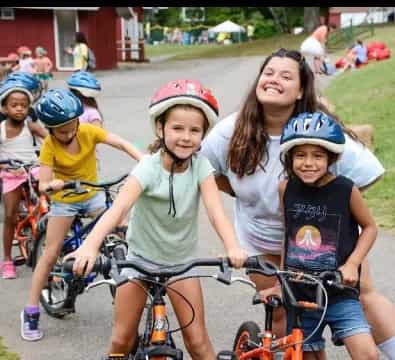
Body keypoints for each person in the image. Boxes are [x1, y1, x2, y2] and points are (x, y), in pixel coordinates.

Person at [200, 48, 395, 359]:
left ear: (301, 89)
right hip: (261, 240)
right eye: (269, 73)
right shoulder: (231, 130)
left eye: (286, 76)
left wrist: (331, 208)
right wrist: (239, 191)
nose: (274, 80)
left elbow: (369, 175)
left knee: (364, 298)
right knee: (281, 313)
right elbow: (206, 173)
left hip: (327, 241)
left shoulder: (318, 130)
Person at [64, 79, 247, 359]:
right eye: (177, 128)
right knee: (121, 341)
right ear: (160, 128)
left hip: (182, 263)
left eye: (194, 130)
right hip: (138, 261)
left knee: (198, 343)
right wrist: (89, 246)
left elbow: (215, 211)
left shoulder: (201, 167)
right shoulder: (148, 167)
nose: (185, 137)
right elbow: (117, 210)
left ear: (203, 134)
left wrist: (233, 246)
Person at [20, 88, 144, 341]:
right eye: (61, 130)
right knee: (51, 253)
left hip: (93, 193)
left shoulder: (87, 131)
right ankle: (30, 311)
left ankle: (133, 283)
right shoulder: (49, 146)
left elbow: (119, 142)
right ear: (50, 129)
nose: (68, 133)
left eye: (71, 126)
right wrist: (50, 185)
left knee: (122, 228)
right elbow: (43, 183)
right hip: (65, 201)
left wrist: (143, 159)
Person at [262, 111, 379, 359]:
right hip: (300, 294)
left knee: (367, 354)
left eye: (317, 156)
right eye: (300, 155)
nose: (308, 163)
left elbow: (370, 227)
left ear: (331, 157)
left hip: (338, 291)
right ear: (289, 157)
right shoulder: (286, 188)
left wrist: (352, 264)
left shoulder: (346, 189)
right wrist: (279, 281)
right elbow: (289, 235)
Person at [0, 81, 47, 279]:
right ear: (4, 107)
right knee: (10, 214)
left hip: (33, 168)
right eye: (14, 105)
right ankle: (8, 260)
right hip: (11, 172)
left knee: (50, 198)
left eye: (23, 105)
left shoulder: (31, 125)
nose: (19, 108)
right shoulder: (1, 129)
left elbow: (50, 140)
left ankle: (50, 240)